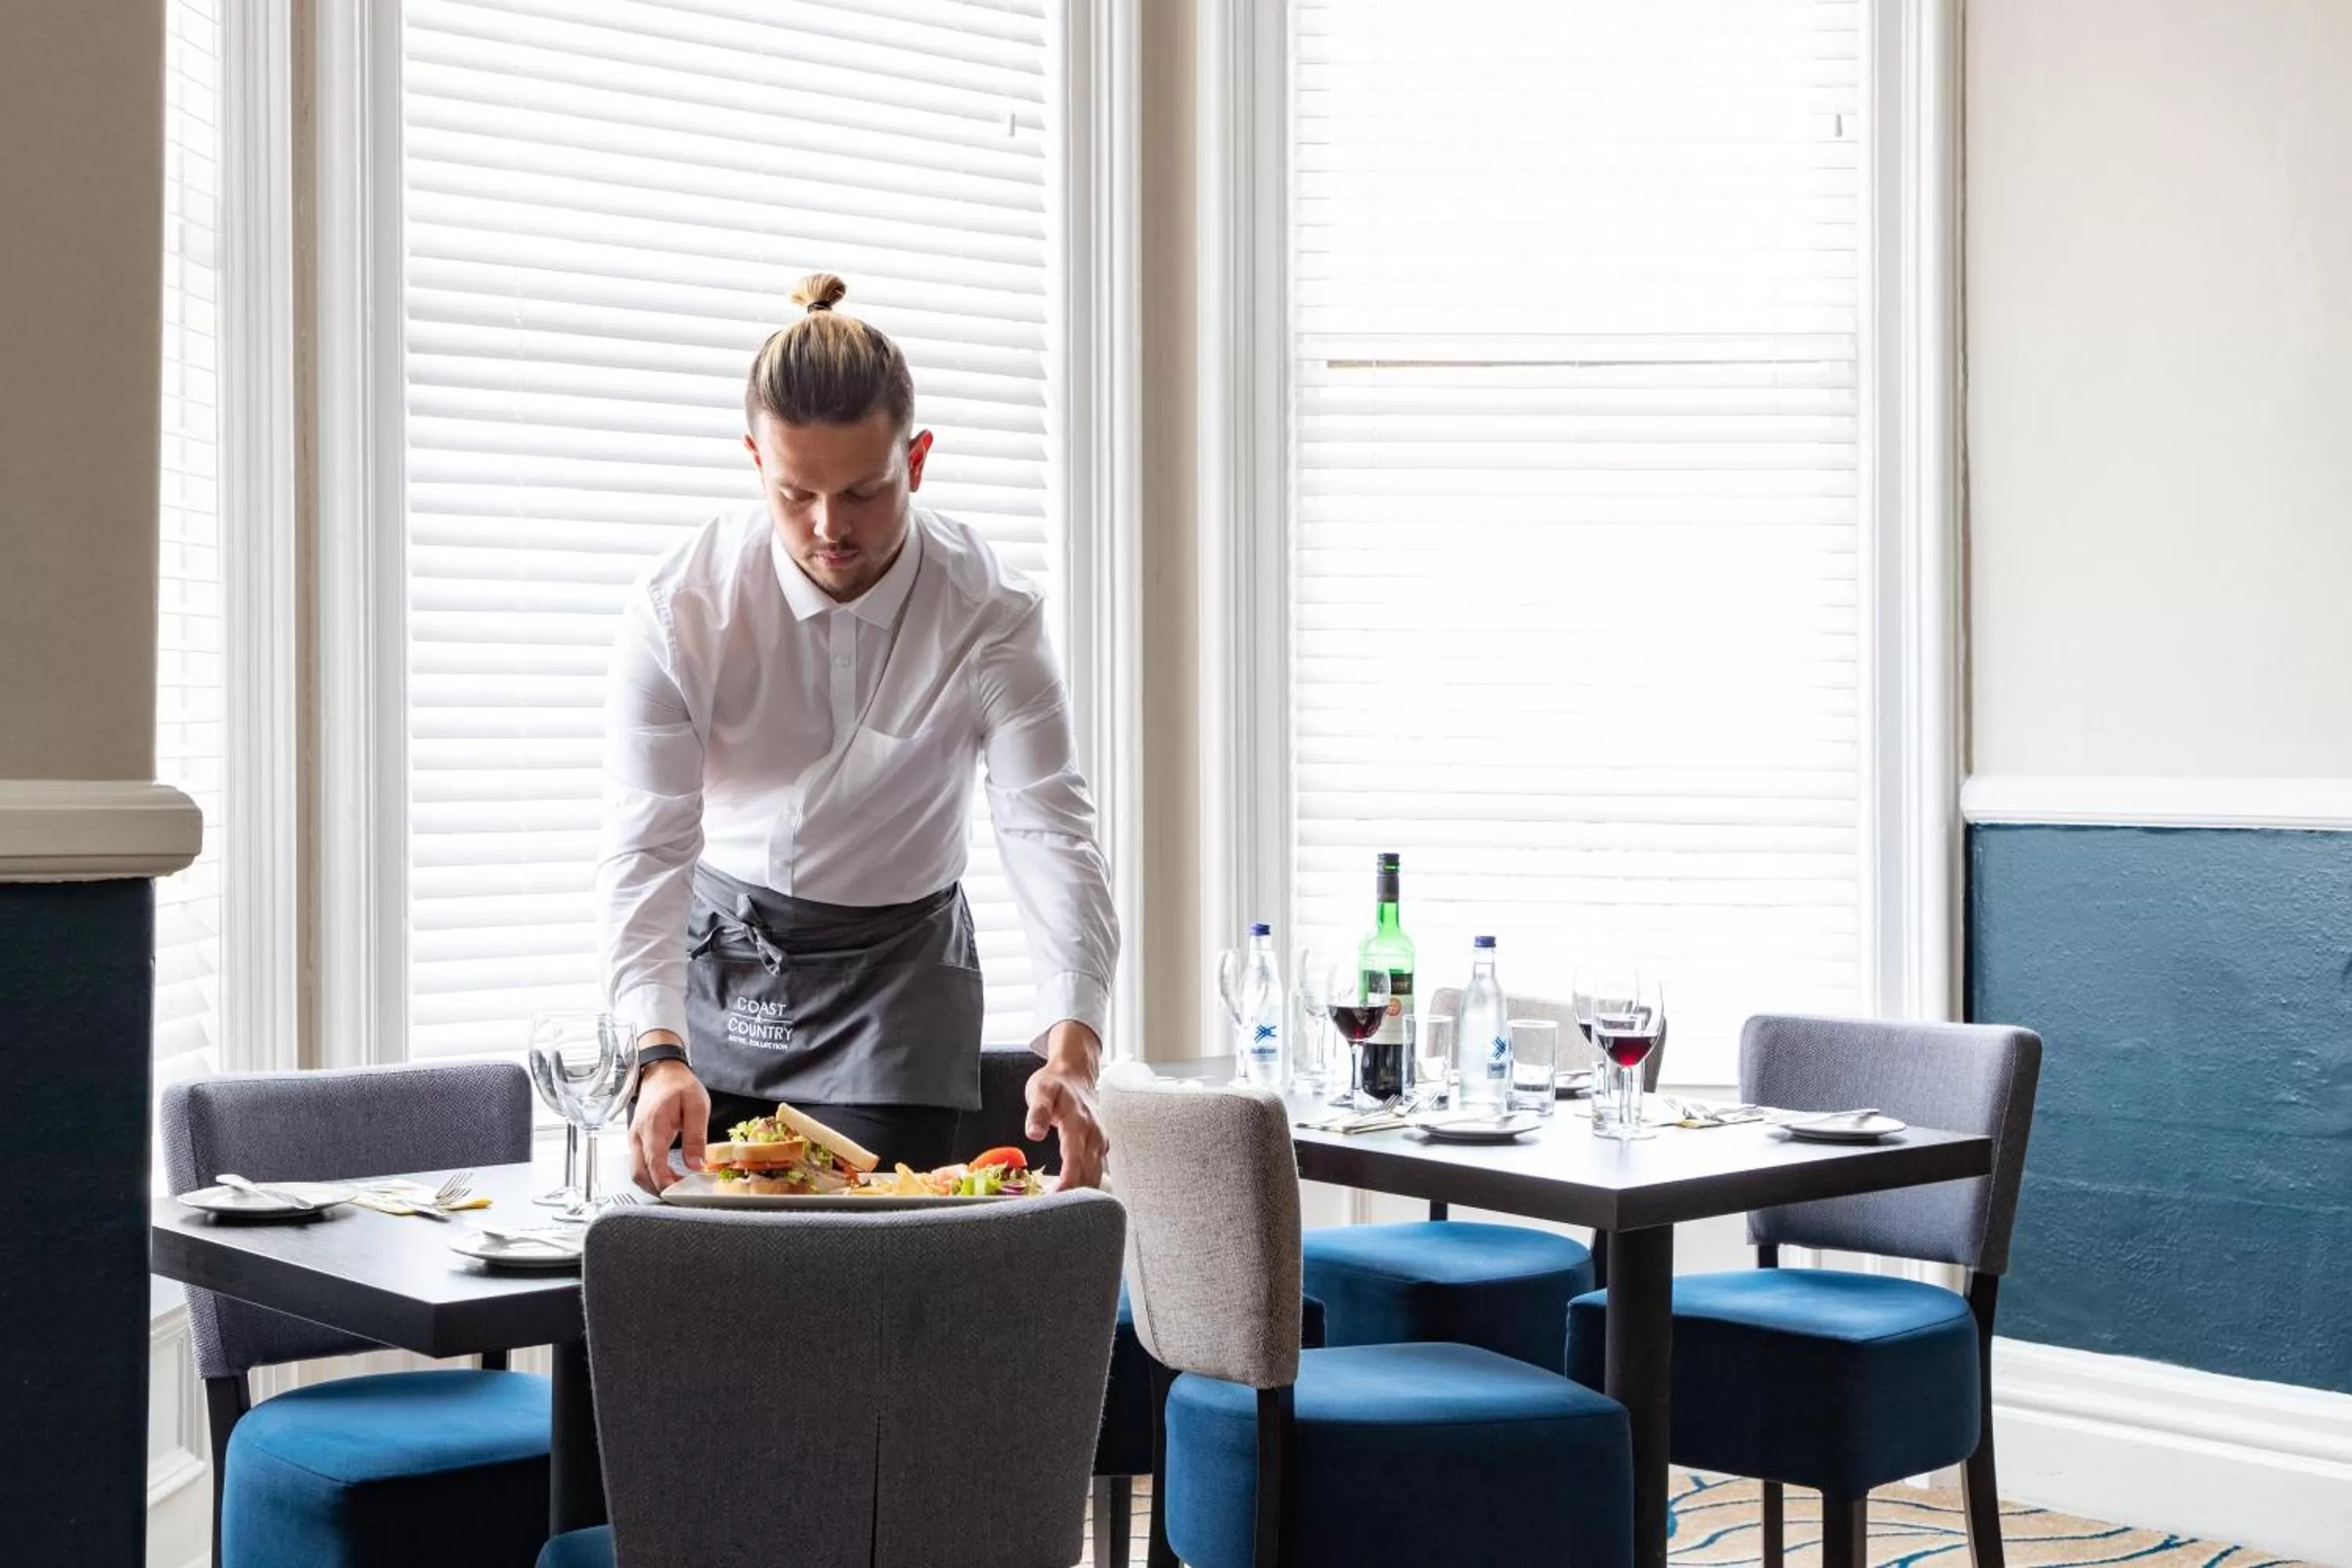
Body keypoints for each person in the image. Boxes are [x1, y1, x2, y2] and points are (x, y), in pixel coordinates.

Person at [598, 272, 1116, 1191]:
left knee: (871, 1275)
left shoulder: (991, 613)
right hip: (722, 956)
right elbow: (648, 847)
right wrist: (656, 1048)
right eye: (796, 493)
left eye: (864, 493)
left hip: (899, 974)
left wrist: (1074, 1043)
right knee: (693, 1255)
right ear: (755, 461)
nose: (829, 527)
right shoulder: (678, 611)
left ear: (915, 461)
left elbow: (1049, 830)